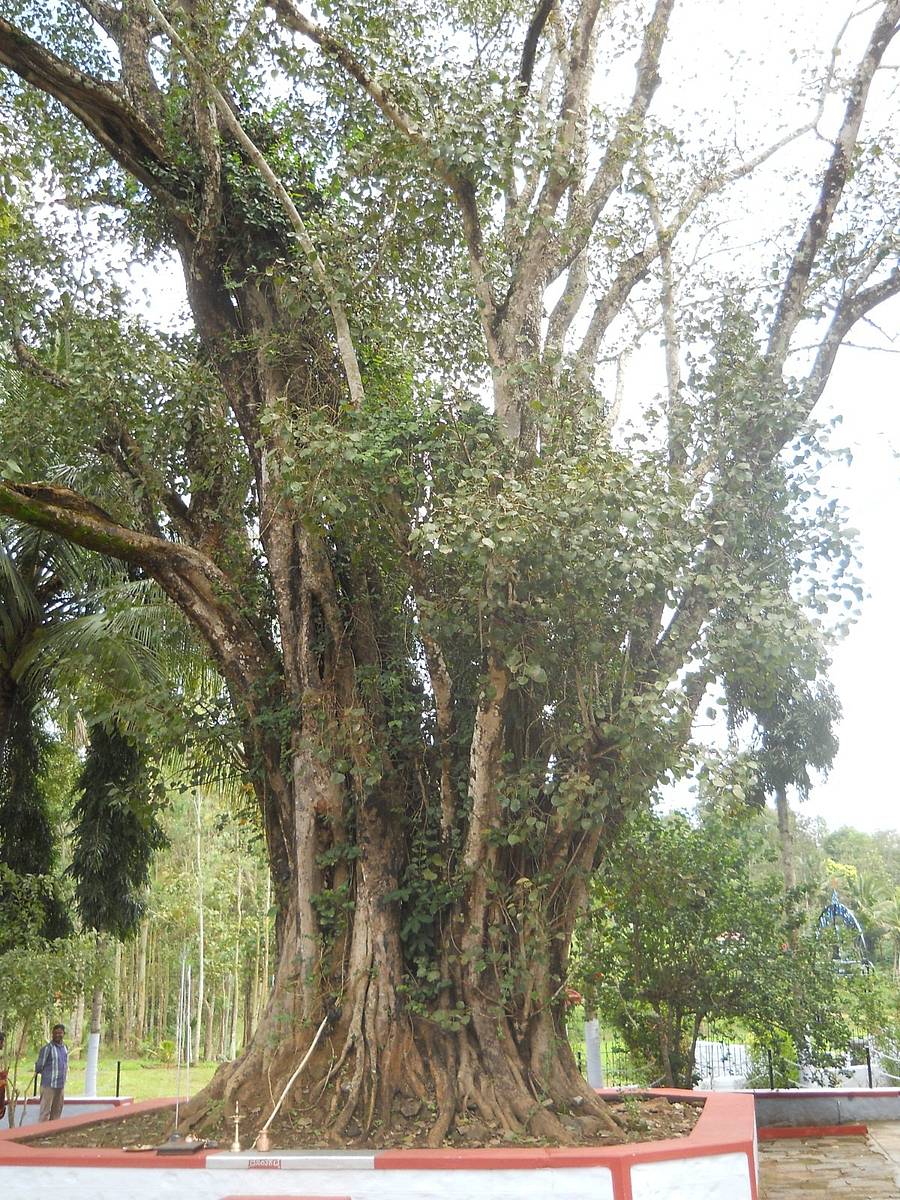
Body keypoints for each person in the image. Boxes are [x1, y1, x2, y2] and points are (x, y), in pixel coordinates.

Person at [35, 1024, 68, 1122]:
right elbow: (39, 1067)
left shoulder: (65, 1048)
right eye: (56, 1033)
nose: (58, 1035)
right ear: (52, 1034)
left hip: (60, 1085)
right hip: (48, 1085)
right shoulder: (47, 1048)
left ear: (63, 1034)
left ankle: (53, 1135)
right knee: (45, 1113)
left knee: (57, 1112)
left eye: (60, 1033)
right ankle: (42, 1135)